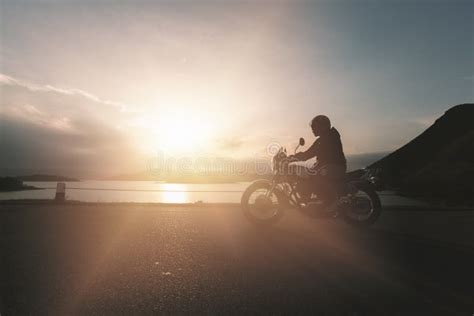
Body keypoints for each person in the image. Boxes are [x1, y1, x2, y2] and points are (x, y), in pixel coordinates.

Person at [289, 115, 347, 207]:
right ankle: (314, 200)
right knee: (309, 173)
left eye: (315, 127)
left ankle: (327, 201)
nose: (313, 129)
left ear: (322, 126)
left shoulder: (326, 139)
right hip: (331, 166)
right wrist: (295, 157)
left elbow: (308, 154)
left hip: (333, 167)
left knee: (313, 177)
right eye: (313, 127)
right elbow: (310, 153)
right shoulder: (327, 137)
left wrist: (292, 158)